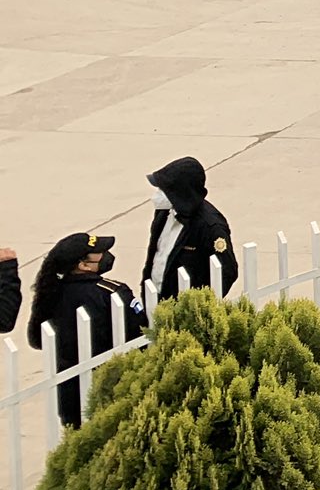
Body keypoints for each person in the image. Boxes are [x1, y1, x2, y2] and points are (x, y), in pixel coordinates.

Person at [27, 233, 144, 428]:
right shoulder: (111, 293)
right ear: (83, 265)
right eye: (99, 253)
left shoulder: (50, 295)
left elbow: (38, 339)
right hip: (111, 387)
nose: (106, 256)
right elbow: (140, 335)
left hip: (70, 393)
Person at [142, 157, 239, 300]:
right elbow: (155, 255)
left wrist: (198, 308)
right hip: (155, 300)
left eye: (163, 190)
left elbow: (227, 272)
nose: (156, 196)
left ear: (179, 192)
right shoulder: (163, 213)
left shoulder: (210, 226)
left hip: (184, 310)